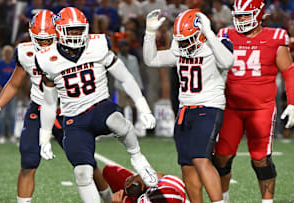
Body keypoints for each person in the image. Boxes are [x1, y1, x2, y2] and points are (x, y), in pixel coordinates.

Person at [0, 10, 112, 203]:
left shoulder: (73, 48)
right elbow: (14, 83)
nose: (44, 44)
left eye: (48, 39)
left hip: (69, 111)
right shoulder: (26, 52)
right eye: (40, 39)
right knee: (28, 162)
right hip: (39, 108)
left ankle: (108, 199)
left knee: (86, 163)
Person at [36, 7, 158, 203]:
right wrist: (44, 137)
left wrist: (142, 106)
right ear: (59, 31)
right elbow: (49, 103)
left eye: (79, 29)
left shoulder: (98, 45)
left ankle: (137, 157)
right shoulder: (47, 58)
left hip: (99, 107)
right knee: (83, 173)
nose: (76, 34)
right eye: (71, 30)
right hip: (74, 120)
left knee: (118, 122)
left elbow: (125, 76)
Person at [143, 9, 234, 203]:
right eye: (181, 40)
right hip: (184, 112)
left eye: (188, 39)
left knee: (201, 159)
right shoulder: (180, 50)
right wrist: (150, 33)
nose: (184, 44)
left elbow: (227, 61)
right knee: (187, 165)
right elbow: (151, 60)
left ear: (201, 33)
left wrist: (209, 32)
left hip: (208, 108)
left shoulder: (216, 46)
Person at [214, 0, 294, 202]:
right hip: (230, 107)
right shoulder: (225, 35)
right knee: (221, 157)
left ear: (259, 15)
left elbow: (289, 72)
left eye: (245, 15)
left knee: (260, 159)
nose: (240, 20)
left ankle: (268, 201)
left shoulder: (275, 37)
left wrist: (292, 103)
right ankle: (223, 198)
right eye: (238, 15)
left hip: (261, 108)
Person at [102, 165, 186, 203]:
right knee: (110, 171)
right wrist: (143, 177)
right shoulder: (173, 184)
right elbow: (160, 176)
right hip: (146, 191)